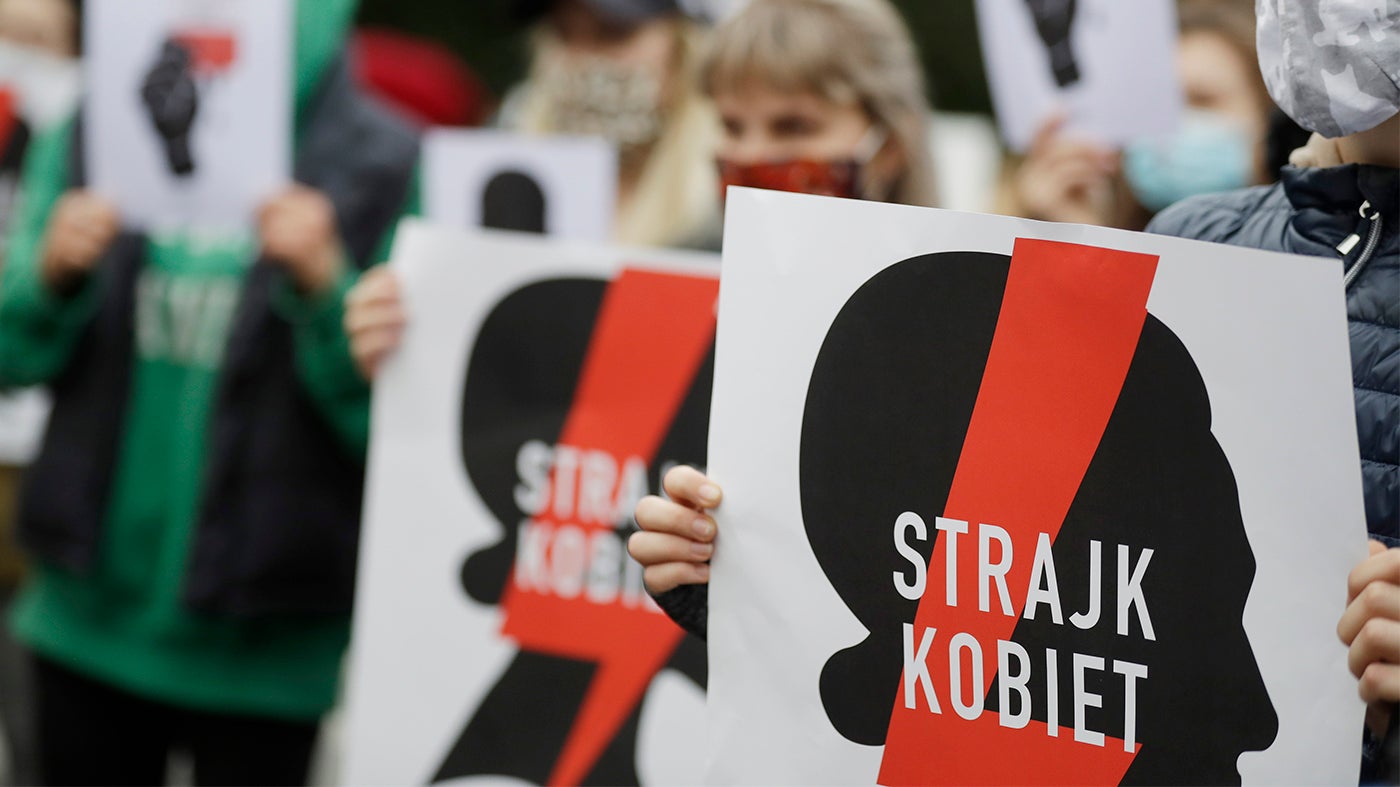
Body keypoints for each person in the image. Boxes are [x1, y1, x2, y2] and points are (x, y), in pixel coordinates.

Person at [0, 0, 420, 783]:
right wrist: (48, 275)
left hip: (269, 645)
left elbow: (406, 428)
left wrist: (329, 289)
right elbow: (9, 357)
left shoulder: (384, 162)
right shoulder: (97, 124)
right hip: (82, 623)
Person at [346, 0, 937, 379]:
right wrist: (407, 357)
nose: (754, 155)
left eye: (611, 32)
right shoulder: (486, 185)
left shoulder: (945, 304)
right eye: (564, 33)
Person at [1003, 0, 1275, 229]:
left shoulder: (1307, 251)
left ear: (1269, 115)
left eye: (1201, 100)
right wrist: (1080, 243)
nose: (1174, 125)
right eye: (1157, 104)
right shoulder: (1100, 223)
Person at [501, 0, 720, 248]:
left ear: (686, 44)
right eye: (562, 32)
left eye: (614, 32)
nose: (581, 59)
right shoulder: (507, 141)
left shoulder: (730, 186)